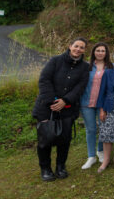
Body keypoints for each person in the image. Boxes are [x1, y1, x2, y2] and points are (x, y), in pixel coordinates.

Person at [33, 37, 89, 181]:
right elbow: (44, 80)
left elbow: (80, 87)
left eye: (81, 47)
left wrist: (65, 101)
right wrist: (53, 101)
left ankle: (60, 167)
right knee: (45, 139)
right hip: (47, 106)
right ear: (70, 46)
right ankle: (45, 169)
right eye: (76, 46)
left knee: (64, 140)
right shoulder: (55, 61)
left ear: (84, 50)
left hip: (68, 108)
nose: (78, 49)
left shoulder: (84, 67)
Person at [80, 42, 113, 169]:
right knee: (91, 129)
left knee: (102, 129)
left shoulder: (111, 67)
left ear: (106, 53)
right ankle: (91, 156)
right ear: (94, 52)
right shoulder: (86, 66)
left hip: (101, 104)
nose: (100, 53)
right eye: (98, 50)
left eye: (103, 51)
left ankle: (100, 152)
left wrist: (105, 107)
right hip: (86, 102)